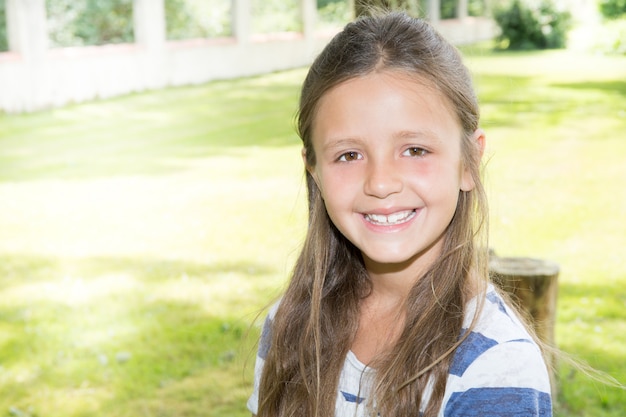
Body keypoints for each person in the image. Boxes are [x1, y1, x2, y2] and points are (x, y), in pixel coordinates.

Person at [247, 11, 552, 417]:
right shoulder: (290, 325)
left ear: (469, 161)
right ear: (314, 170)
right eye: (349, 155)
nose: (381, 182)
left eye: (415, 150)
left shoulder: (494, 366)